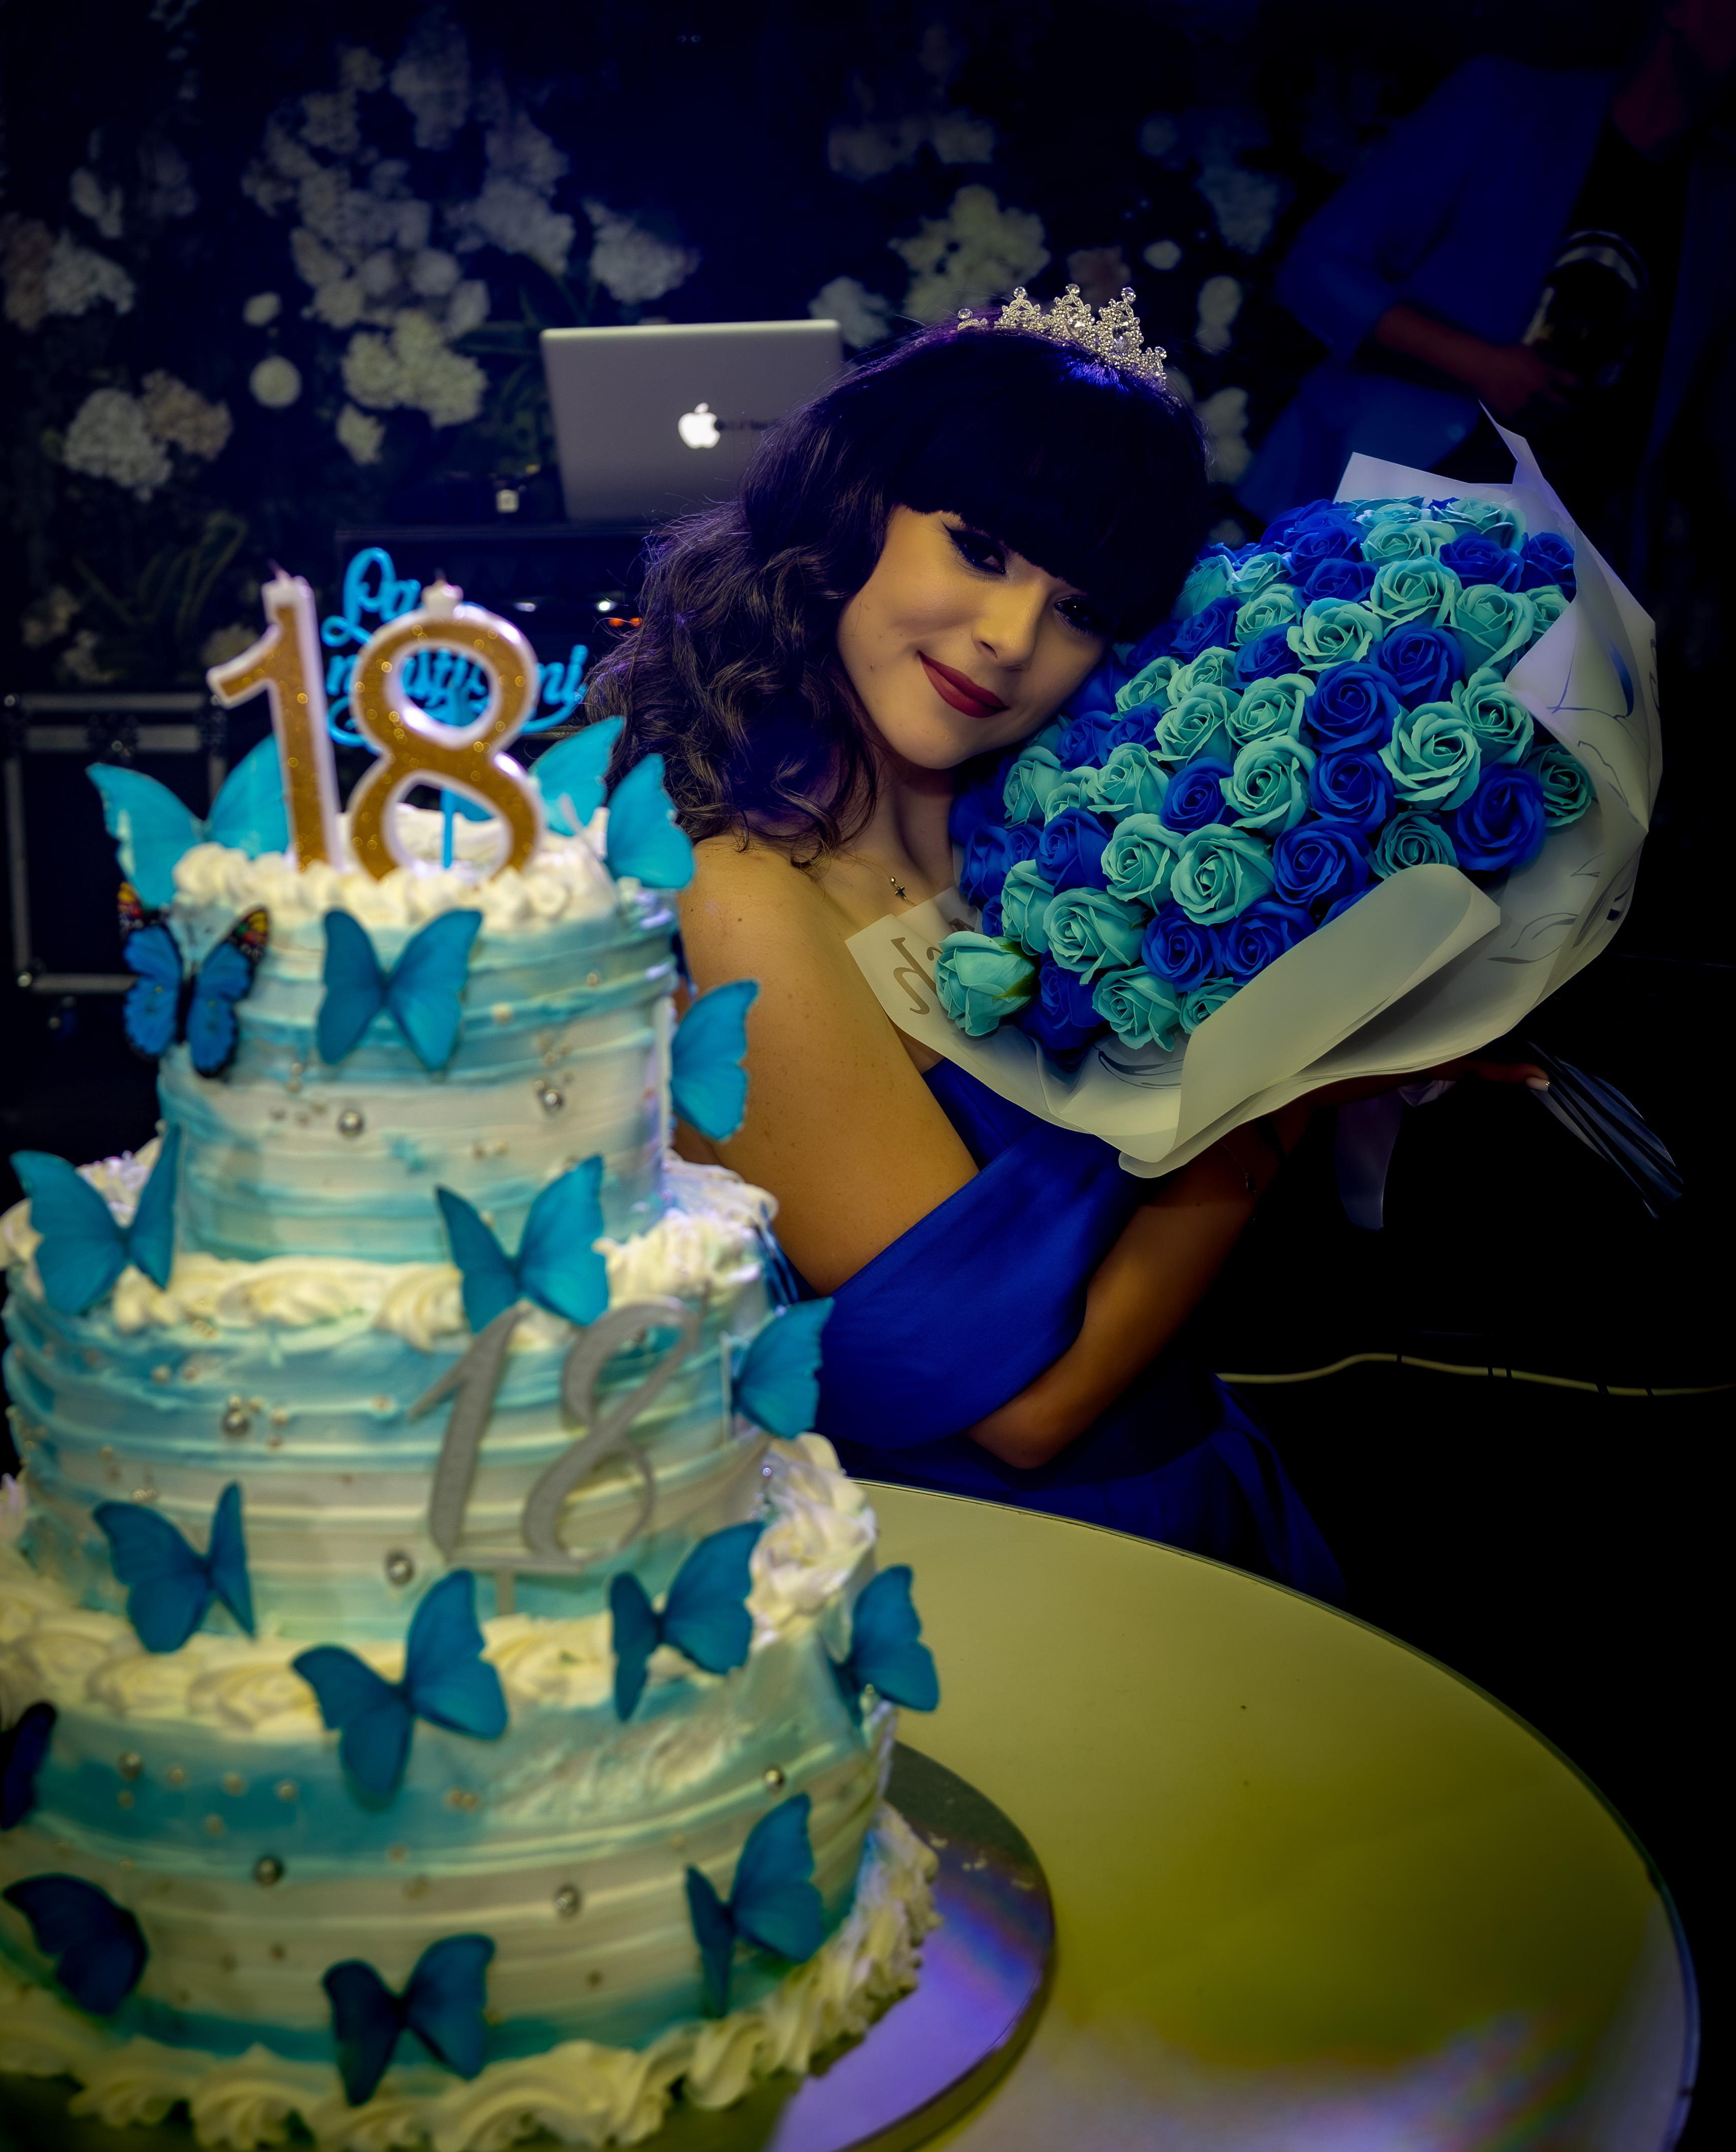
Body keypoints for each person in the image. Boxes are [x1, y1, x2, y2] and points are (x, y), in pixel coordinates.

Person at [588, 321, 1537, 1602]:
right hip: (993, 1576)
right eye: (977, 548)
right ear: (851, 506)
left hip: (1202, 1490)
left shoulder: (1055, 836)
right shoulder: (743, 894)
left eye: (1079, 607)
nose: (1008, 635)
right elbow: (1025, 1412)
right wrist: (1306, 1083)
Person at [1239, 0, 1736, 583]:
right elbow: (1313, 268)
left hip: (1565, 570)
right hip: (1374, 520)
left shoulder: (1721, 203)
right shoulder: (1505, 104)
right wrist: (1481, 366)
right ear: (1683, 0)